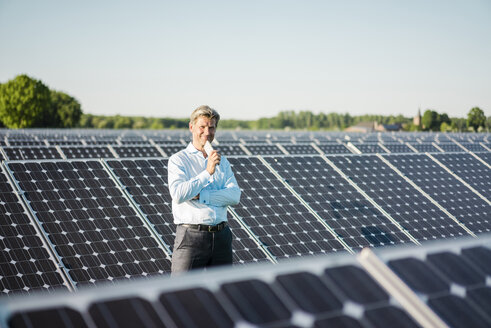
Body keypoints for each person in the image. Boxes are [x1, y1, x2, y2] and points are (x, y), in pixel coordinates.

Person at [167, 105, 241, 274]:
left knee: (222, 291)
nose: (207, 132)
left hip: (222, 236)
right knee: (182, 293)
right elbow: (179, 194)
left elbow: (234, 196)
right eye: (202, 127)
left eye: (211, 127)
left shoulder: (222, 161)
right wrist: (207, 172)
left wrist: (201, 195)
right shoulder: (179, 160)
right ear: (191, 127)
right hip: (191, 237)